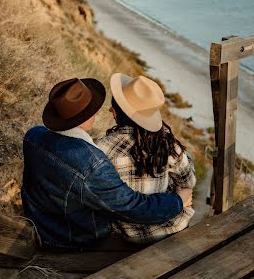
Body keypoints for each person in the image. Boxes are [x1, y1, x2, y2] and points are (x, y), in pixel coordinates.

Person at [21, 77, 193, 250]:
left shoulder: (33, 135)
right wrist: (177, 201)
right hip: (74, 240)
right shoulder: (92, 163)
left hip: (42, 225)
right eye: (93, 110)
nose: (98, 113)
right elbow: (132, 207)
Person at [96, 73, 196, 245]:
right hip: (173, 226)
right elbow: (189, 182)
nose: (110, 110)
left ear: (118, 112)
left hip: (131, 235)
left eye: (113, 106)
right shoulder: (168, 144)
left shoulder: (102, 149)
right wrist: (180, 196)